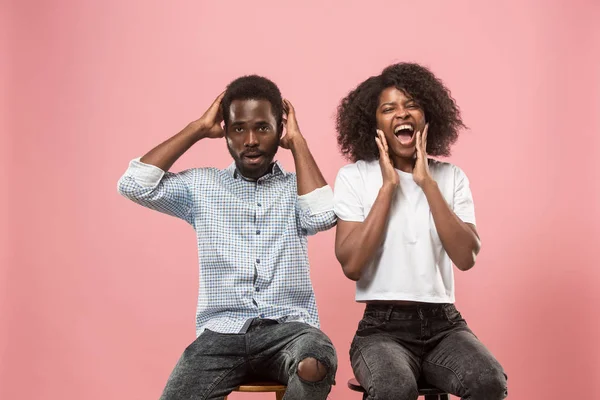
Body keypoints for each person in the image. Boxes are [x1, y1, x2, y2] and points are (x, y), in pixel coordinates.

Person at [118, 75, 337, 400]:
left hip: (289, 331)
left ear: (280, 130)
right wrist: (197, 128)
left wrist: (299, 144)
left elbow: (322, 216)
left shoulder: (296, 186)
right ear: (225, 133)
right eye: (238, 129)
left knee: (317, 356)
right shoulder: (202, 187)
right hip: (221, 335)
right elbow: (134, 185)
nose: (250, 139)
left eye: (263, 128)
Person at [333, 63, 507, 400]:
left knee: (488, 381)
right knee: (395, 389)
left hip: (445, 324)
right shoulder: (354, 177)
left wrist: (426, 182)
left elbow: (466, 257)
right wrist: (388, 188)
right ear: (374, 123)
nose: (402, 114)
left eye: (411, 105)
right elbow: (352, 265)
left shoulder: (450, 177)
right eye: (389, 108)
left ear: (428, 116)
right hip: (382, 329)